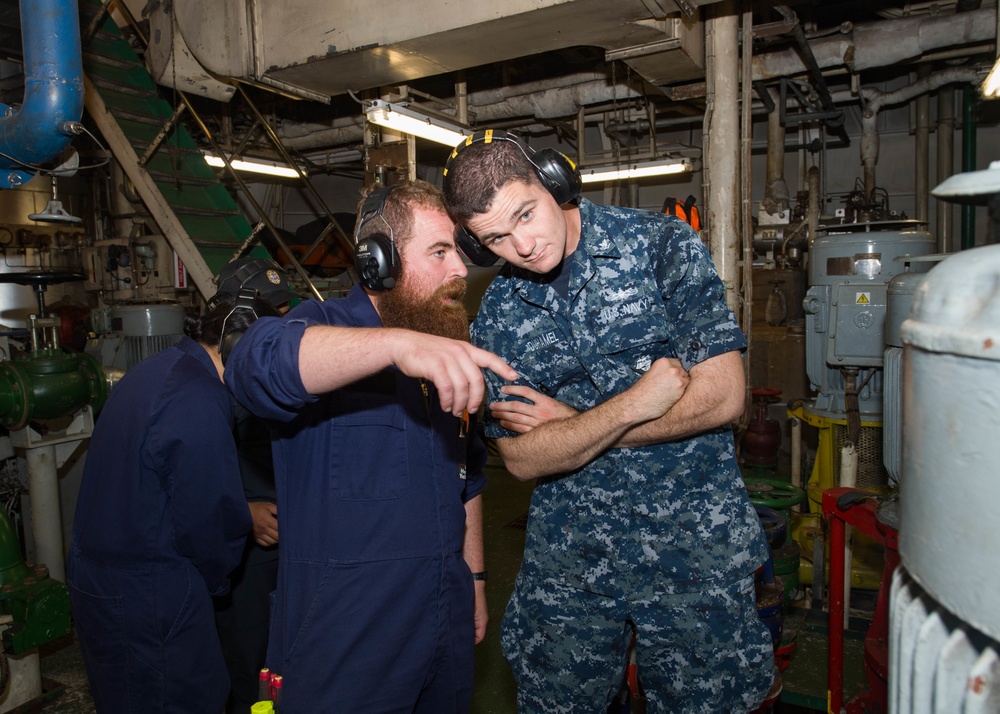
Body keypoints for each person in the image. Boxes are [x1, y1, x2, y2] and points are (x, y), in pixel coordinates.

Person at [442, 129, 775, 713]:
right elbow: (520, 458)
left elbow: (723, 396)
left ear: (555, 182)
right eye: (494, 237)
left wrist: (570, 425)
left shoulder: (660, 246)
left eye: (525, 213)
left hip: (693, 548)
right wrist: (631, 405)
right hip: (573, 561)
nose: (521, 244)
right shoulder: (497, 310)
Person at [224, 179, 518, 713]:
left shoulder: (443, 344)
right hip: (344, 640)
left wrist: (474, 578)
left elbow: (468, 477)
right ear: (378, 262)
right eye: (439, 251)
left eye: (460, 251)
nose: (460, 270)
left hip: (442, 620)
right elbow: (254, 364)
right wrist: (396, 346)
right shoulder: (326, 328)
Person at [66, 291, 277, 713]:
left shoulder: (161, 370)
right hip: (151, 597)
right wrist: (219, 585)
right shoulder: (199, 398)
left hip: (108, 582)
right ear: (239, 347)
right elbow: (210, 525)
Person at [211, 257, 298, 714]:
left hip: (296, 537)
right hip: (247, 548)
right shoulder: (212, 375)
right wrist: (244, 513)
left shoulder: (285, 359)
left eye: (285, 311)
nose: (283, 321)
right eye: (271, 312)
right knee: (249, 666)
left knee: (288, 661)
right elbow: (193, 475)